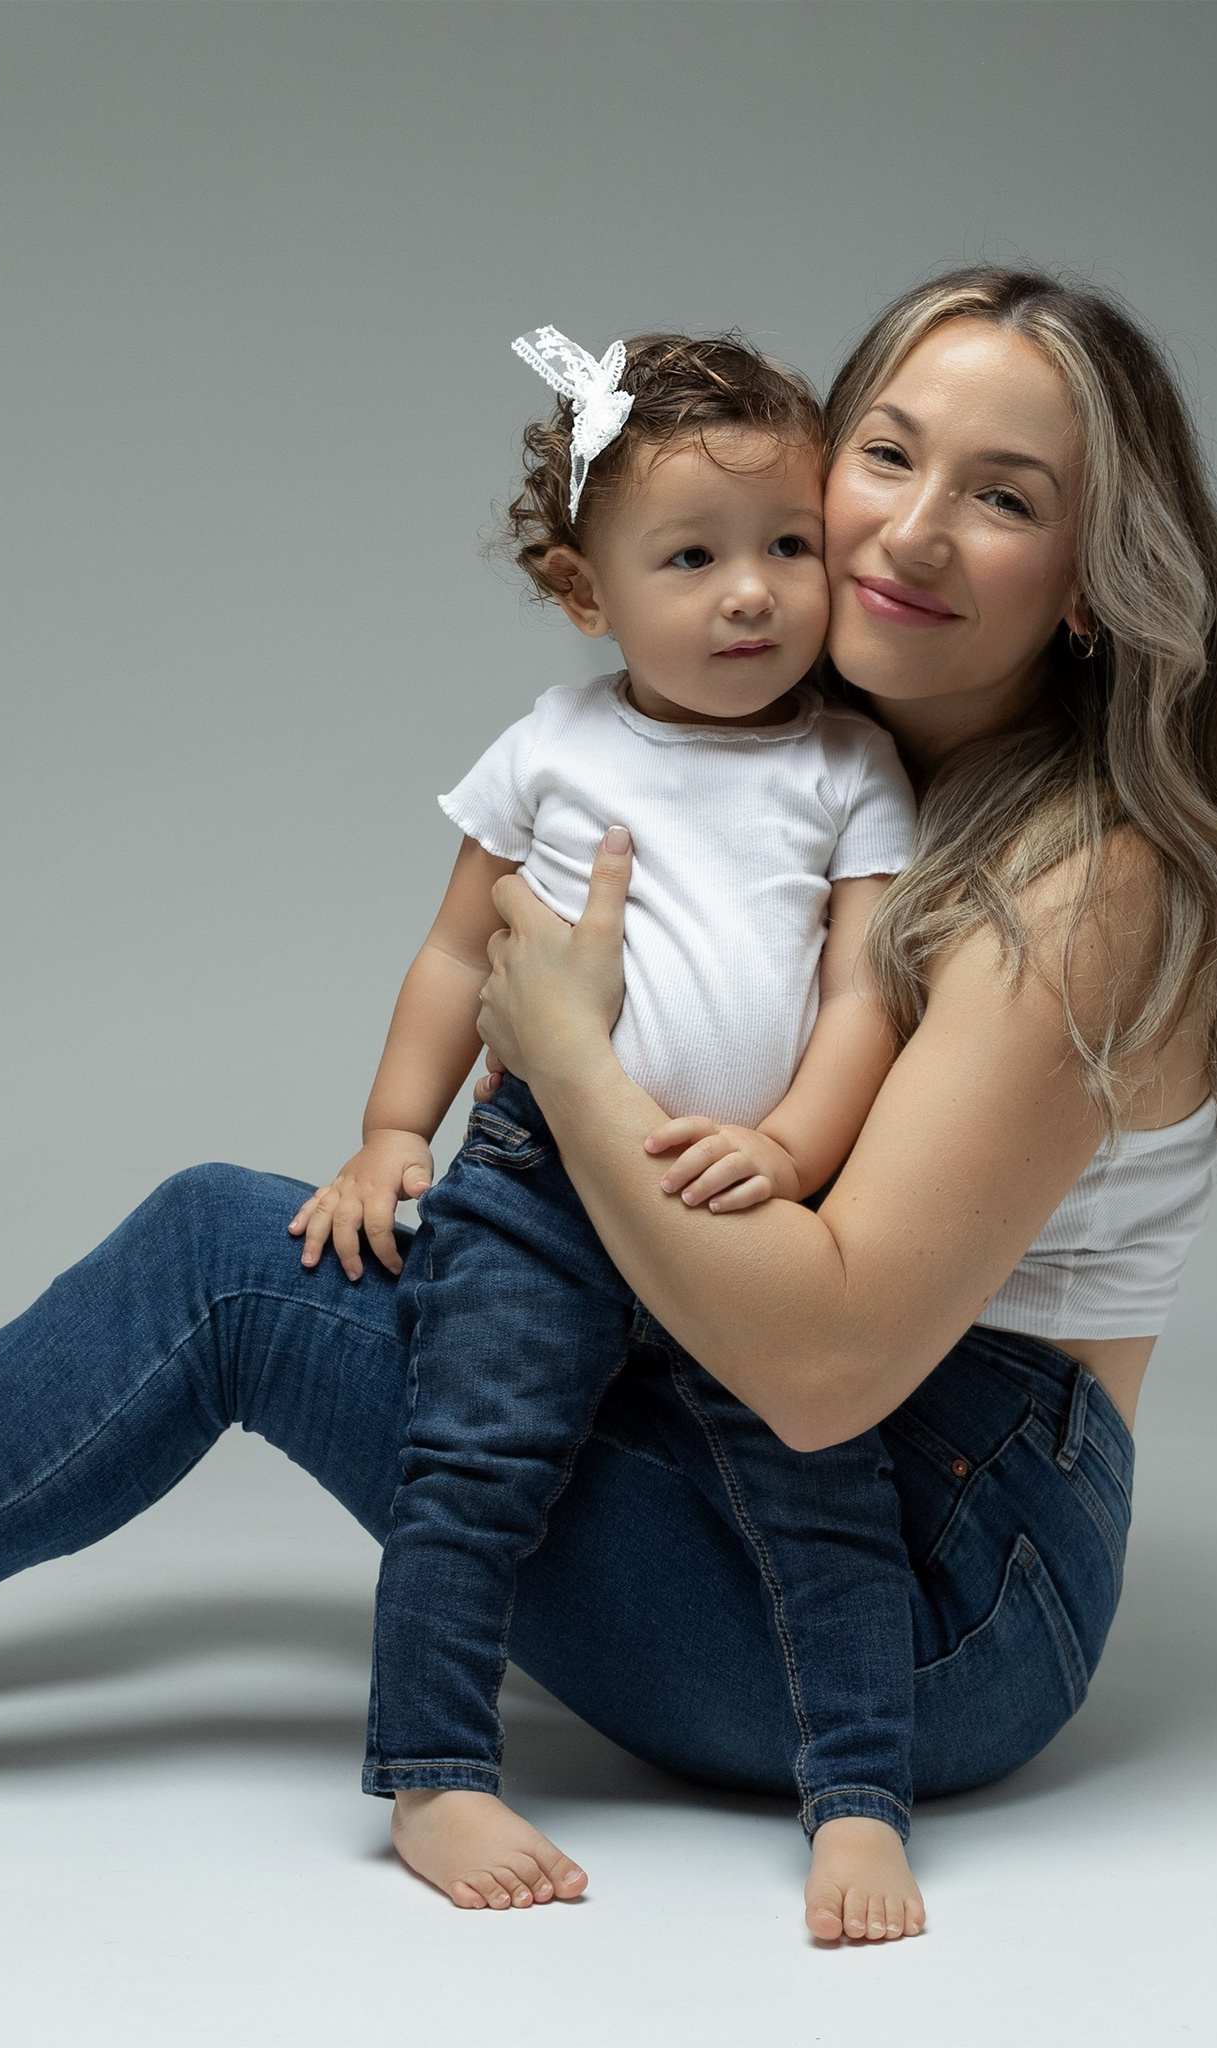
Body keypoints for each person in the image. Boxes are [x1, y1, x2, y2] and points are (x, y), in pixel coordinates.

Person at [0, 267, 1217, 1949]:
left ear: (1086, 583)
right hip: (759, 1398)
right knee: (310, 1245)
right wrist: (447, 1109)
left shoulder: (1084, 875)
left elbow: (819, 1367)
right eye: (883, 455)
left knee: (228, 1259)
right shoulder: (825, 759)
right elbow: (506, 942)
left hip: (932, 1573)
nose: (903, 531)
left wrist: (551, 1059)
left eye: (1002, 496)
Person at [294, 326, 925, 1928]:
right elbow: (457, 950)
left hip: (740, 1189)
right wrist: (388, 1130)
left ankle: (858, 1803)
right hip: (541, 1181)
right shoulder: (556, 744)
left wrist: (790, 1150)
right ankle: (435, 1773)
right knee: (474, 1461)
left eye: (790, 545)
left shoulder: (850, 766)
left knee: (825, 1482)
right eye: (692, 554)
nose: (751, 591)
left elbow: (864, 998)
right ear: (587, 592)